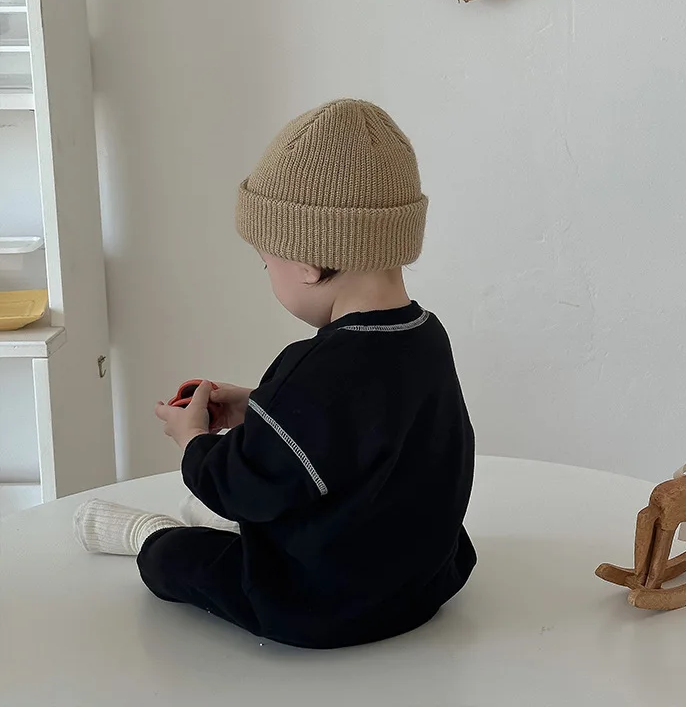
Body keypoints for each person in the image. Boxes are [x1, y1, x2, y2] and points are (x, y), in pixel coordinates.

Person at [73, 99, 477, 649]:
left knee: (173, 562)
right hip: (423, 582)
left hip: (324, 606)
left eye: (267, 262)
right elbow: (365, 434)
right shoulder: (426, 336)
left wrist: (193, 440)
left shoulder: (315, 367)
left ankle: (151, 532)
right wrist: (260, 409)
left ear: (308, 264)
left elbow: (238, 490)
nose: (268, 274)